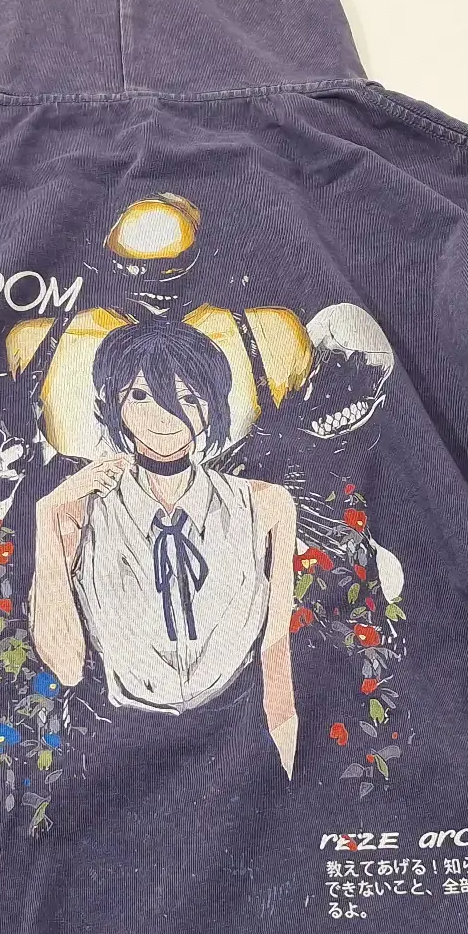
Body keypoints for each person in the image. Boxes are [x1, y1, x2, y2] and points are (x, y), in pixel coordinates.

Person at [28, 315, 299, 775]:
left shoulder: (265, 505)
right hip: (123, 744)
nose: (165, 416)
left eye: (189, 397)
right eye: (140, 395)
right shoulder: (84, 512)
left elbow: (276, 649)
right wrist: (47, 518)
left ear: (214, 405)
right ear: (111, 403)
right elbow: (67, 667)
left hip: (237, 729)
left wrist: (287, 756)